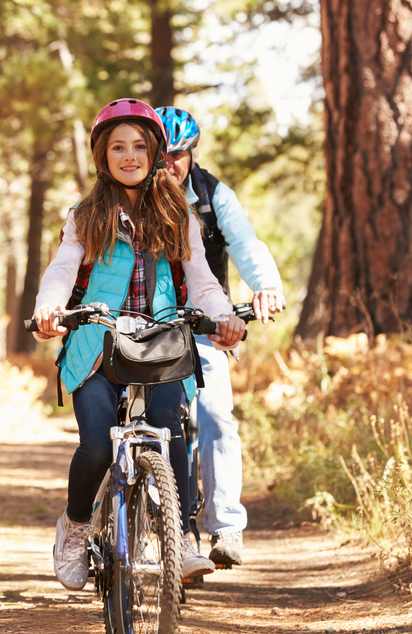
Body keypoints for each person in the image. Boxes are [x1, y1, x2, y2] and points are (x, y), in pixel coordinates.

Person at [31, 98, 246, 588]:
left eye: (139, 146)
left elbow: (202, 278)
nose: (129, 155)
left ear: (154, 152)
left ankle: (180, 539)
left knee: (170, 430)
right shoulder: (86, 215)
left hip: (162, 342)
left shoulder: (177, 211)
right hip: (97, 344)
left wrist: (223, 316)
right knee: (96, 443)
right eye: (118, 147)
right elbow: (62, 270)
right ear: (103, 156)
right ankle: (76, 527)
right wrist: (50, 308)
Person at [155, 106, 285, 566]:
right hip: (149, 327)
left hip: (207, 324)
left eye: (177, 155)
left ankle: (226, 527)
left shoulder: (212, 194)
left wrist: (265, 286)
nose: (168, 163)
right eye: (161, 154)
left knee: (215, 416)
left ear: (191, 154)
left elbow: (246, 244)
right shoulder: (137, 194)